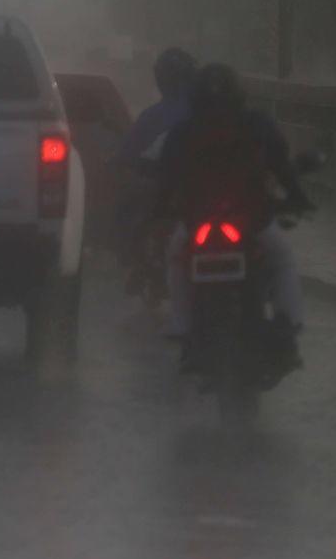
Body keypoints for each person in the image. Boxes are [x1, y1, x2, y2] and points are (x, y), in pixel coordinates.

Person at [156, 64, 313, 366]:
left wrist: (159, 212)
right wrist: (298, 200)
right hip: (253, 222)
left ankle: (183, 326)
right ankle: (290, 324)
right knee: (283, 261)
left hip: (197, 225)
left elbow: (165, 181)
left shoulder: (182, 133)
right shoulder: (258, 125)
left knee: (176, 260)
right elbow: (283, 169)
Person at [114, 48, 197, 293]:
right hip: (208, 190)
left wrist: (117, 160)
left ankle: (133, 261)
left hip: (164, 187)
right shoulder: (214, 111)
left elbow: (129, 150)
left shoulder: (154, 115)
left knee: (127, 204)